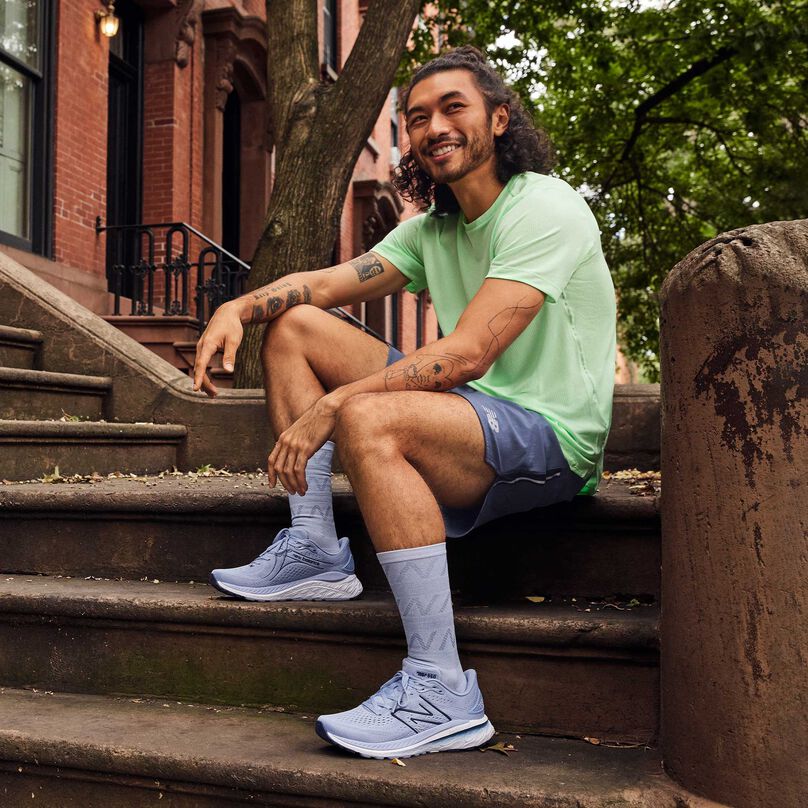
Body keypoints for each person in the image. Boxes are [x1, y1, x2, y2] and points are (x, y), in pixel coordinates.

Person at [192, 45, 616, 760]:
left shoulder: (544, 206)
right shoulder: (432, 230)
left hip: (553, 437)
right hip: (471, 414)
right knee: (294, 326)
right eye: (417, 117)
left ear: (499, 119)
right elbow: (322, 286)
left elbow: (468, 353)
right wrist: (237, 306)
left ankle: (441, 689)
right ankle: (316, 550)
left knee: (368, 414)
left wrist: (334, 406)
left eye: (453, 107)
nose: (434, 127)